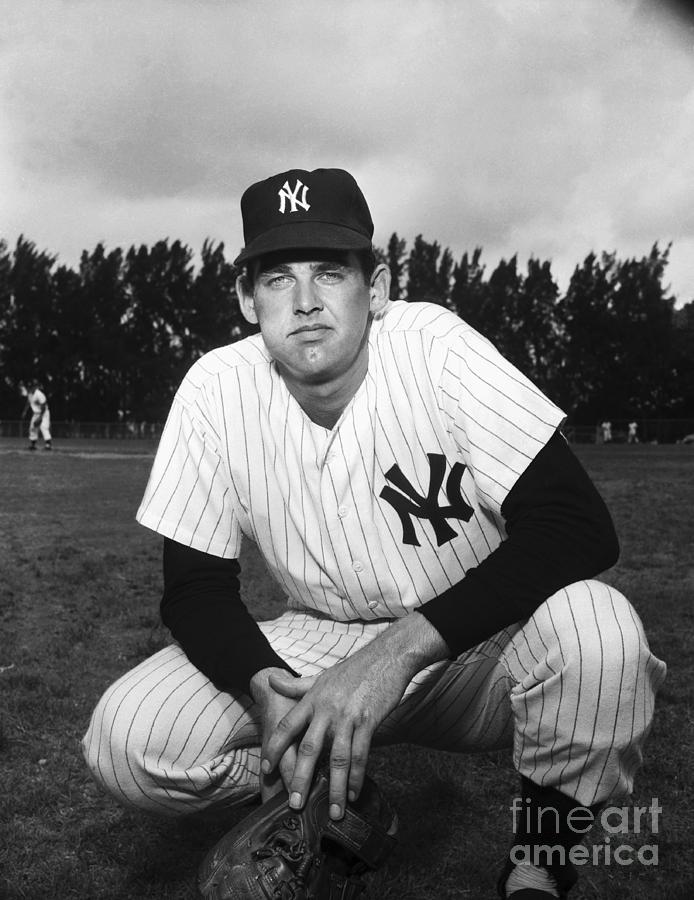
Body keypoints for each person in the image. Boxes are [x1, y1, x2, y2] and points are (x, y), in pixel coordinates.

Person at [82, 168, 666, 899]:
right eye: (276, 278)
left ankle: (539, 864)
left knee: (601, 632)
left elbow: (578, 525)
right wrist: (264, 692)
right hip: (317, 641)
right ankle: (336, 800)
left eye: (331, 272)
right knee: (127, 738)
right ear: (245, 297)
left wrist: (399, 650)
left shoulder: (435, 348)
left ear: (378, 286)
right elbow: (195, 589)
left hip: (480, 646)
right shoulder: (214, 387)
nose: (304, 302)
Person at [23, 380, 52, 451]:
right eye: (29, 386)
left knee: (43, 427)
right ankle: (33, 445)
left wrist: (40, 417)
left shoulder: (39, 394)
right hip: (36, 413)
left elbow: (44, 406)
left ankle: (48, 445)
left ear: (35, 387)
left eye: (32, 386)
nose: (30, 387)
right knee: (32, 427)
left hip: (44, 413)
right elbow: (28, 402)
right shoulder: (29, 394)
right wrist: (24, 411)